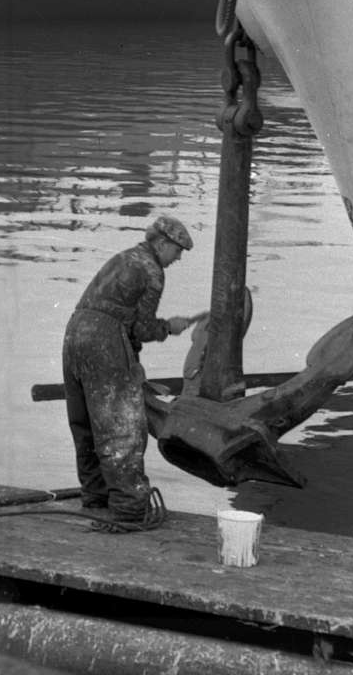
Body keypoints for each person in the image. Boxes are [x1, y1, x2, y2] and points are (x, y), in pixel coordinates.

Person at [62, 214, 201, 528]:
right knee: (121, 425)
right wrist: (170, 327)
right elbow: (141, 327)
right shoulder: (151, 269)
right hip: (104, 340)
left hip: (75, 333)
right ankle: (128, 509)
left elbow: (120, 314)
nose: (178, 257)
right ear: (162, 243)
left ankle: (96, 497)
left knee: (84, 421)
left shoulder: (123, 258)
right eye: (177, 250)